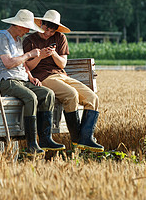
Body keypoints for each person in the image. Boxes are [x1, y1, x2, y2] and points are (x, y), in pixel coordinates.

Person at [23, 10, 104, 152]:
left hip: (62, 75)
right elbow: (28, 66)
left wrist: (53, 53)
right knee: (71, 94)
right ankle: (76, 139)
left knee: (92, 97)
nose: (48, 33)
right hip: (43, 78)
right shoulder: (30, 40)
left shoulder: (60, 38)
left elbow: (62, 64)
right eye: (46, 28)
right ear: (40, 23)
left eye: (52, 31)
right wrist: (40, 56)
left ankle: (86, 138)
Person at [0, 9, 65, 155]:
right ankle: (31, 143)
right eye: (27, 27)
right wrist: (30, 54)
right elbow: (8, 63)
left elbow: (21, 63)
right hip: (7, 81)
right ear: (19, 25)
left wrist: (30, 76)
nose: (28, 30)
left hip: (21, 79)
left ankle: (45, 138)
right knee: (31, 97)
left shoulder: (18, 40)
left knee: (48, 94)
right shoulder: (2, 37)